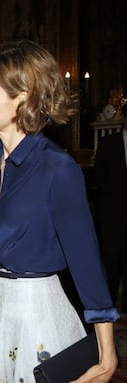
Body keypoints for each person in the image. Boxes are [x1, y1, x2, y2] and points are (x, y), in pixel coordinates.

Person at [0, 40, 119, 382]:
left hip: (40, 318)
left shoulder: (56, 168)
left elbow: (86, 261)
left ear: (21, 97)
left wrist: (107, 354)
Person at [95, 102, 127, 313]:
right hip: (113, 221)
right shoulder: (108, 144)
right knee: (112, 268)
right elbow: (98, 180)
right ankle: (107, 314)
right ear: (124, 119)